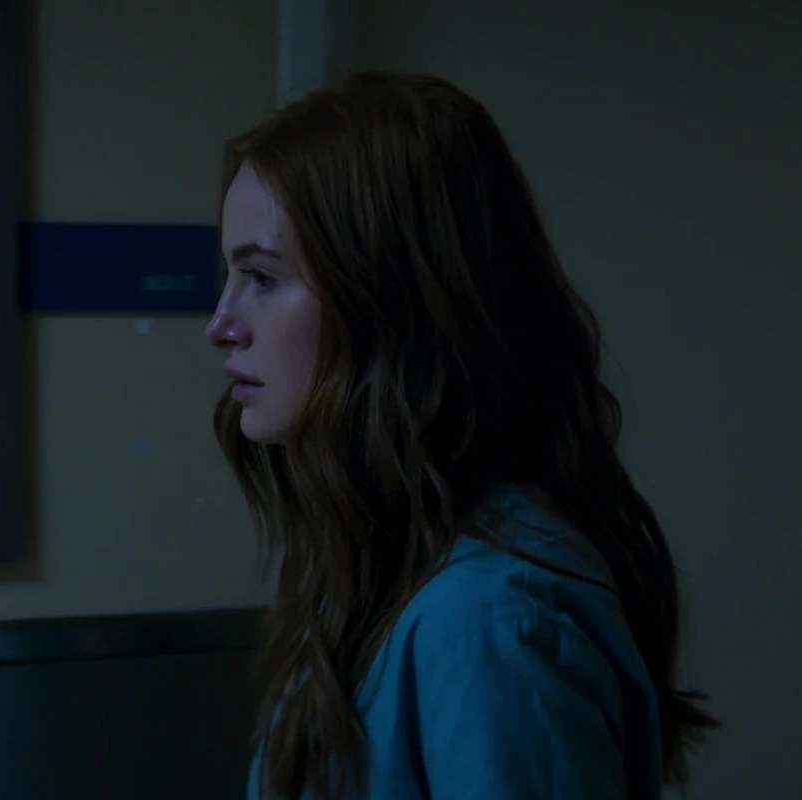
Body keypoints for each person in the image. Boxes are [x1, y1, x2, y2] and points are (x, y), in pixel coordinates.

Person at [205, 71, 717, 800]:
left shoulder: (485, 622)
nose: (220, 324)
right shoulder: (376, 563)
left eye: (261, 277)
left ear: (387, 298)